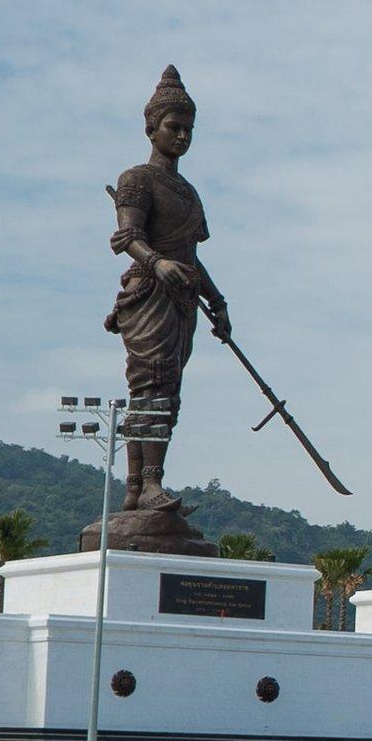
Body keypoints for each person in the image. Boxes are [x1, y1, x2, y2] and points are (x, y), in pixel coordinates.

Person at [107, 66, 229, 514]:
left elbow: (192, 256)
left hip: (182, 299)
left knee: (167, 392)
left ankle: (139, 490)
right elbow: (126, 238)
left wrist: (217, 301)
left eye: (188, 130)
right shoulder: (136, 179)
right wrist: (157, 262)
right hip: (149, 295)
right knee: (151, 386)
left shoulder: (190, 193)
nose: (181, 137)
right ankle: (144, 484)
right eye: (173, 127)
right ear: (151, 128)